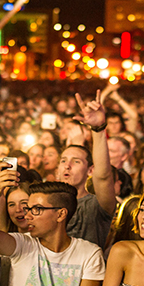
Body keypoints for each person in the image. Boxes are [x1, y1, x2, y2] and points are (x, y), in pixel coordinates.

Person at [0, 163, 105, 286]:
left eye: (36, 209)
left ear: (60, 214)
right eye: (28, 209)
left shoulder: (89, 253)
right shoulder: (24, 244)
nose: (28, 215)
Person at [56, 90, 117, 249]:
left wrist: (98, 129)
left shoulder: (96, 205)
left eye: (76, 161)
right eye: (63, 161)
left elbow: (103, 176)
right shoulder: (45, 201)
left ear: (90, 170)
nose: (67, 166)